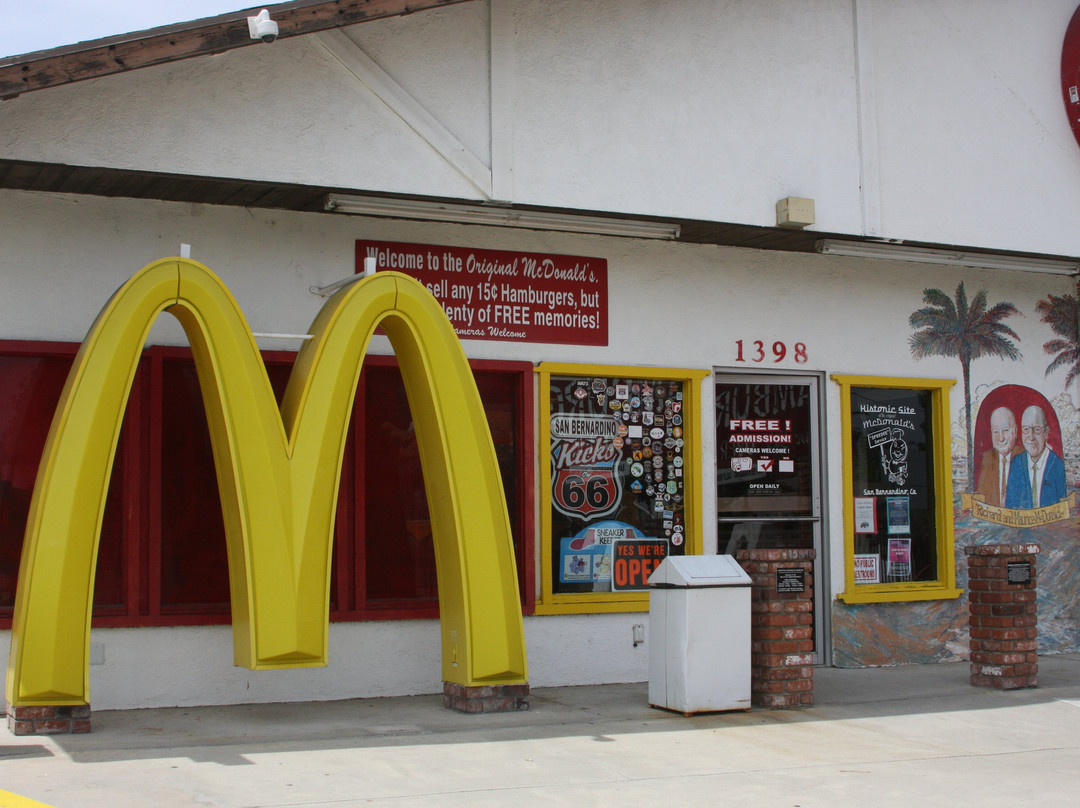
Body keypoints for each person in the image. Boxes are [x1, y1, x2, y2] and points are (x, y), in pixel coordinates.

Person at [1004, 405, 1067, 509]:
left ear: (1046, 433)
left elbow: (1064, 509)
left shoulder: (1057, 465)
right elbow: (1010, 506)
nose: (1031, 436)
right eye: (1026, 429)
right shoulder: (1016, 463)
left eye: (1037, 429)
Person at [976, 406, 1022, 507]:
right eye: (995, 432)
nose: (1000, 438)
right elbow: (981, 497)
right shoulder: (988, 458)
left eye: (1005, 430)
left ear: (1015, 431)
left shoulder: (1024, 458)